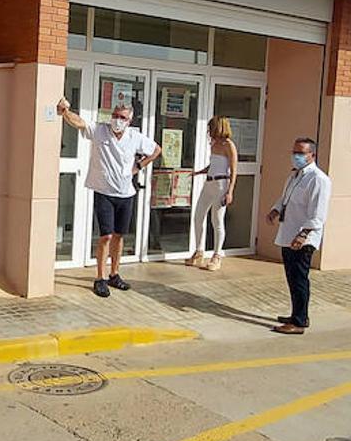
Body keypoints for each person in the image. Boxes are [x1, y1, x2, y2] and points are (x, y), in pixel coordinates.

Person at [57, 98, 161, 297]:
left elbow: (156, 150)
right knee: (106, 236)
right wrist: (65, 112)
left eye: (122, 117)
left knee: (119, 236)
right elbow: (80, 123)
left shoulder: (135, 137)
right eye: (115, 115)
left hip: (125, 193)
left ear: (129, 120)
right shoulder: (100, 130)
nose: (117, 120)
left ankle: (114, 274)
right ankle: (100, 277)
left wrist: (139, 166)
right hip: (104, 192)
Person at [266, 137, 331, 335]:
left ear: (312, 155)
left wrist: (303, 234)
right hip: (288, 233)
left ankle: (299, 322)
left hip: (303, 238)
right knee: (292, 278)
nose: (296, 156)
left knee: (300, 279)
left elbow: (318, 213)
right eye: (295, 152)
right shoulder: (295, 176)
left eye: (301, 153)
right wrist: (275, 210)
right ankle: (297, 314)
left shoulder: (319, 179)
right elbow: (285, 198)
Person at [186, 117, 239, 271]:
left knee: (217, 220)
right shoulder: (214, 144)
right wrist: (199, 172)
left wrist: (230, 191)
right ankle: (199, 251)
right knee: (198, 217)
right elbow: (214, 165)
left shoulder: (229, 145)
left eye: (211, 128)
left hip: (222, 184)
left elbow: (234, 169)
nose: (209, 131)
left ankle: (217, 256)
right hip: (209, 182)